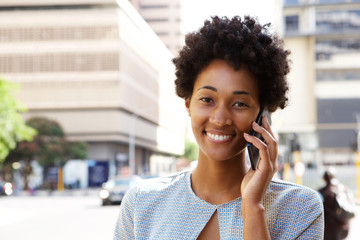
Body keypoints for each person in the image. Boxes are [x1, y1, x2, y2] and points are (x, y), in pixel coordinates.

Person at [113, 15, 324, 239]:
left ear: (262, 114)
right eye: (207, 99)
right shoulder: (141, 202)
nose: (220, 118)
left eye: (240, 103)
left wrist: (253, 206)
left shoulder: (301, 208)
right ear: (188, 105)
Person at [318, 168, 355, 240]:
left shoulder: (321, 192)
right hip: (344, 227)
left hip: (329, 229)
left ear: (324, 178)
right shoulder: (344, 189)